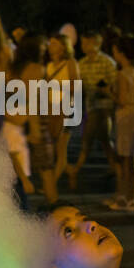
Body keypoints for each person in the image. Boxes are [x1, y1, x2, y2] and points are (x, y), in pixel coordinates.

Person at [68, 31, 118, 190]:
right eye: (83, 43)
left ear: (97, 43)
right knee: (104, 140)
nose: (84, 46)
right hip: (91, 105)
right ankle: (116, 169)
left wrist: (104, 89)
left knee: (88, 139)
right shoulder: (81, 63)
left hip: (104, 106)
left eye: (87, 43)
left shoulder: (107, 62)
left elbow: (116, 85)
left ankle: (75, 170)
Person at [104, 36, 134, 212]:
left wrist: (108, 92)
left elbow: (122, 100)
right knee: (132, 159)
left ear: (121, 52)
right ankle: (124, 197)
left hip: (128, 117)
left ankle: (127, 200)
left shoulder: (123, 74)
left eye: (115, 50)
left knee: (126, 160)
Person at [4, 34, 48, 202]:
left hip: (5, 117)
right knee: (21, 175)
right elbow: (32, 99)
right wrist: (36, 128)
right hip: (19, 121)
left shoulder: (12, 68)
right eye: (42, 48)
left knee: (10, 176)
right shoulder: (36, 69)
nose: (45, 51)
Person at [44, 33, 81, 190]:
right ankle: (70, 171)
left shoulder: (70, 63)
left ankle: (50, 185)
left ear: (62, 46)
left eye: (54, 42)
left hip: (66, 109)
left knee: (60, 148)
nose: (50, 45)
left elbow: (76, 87)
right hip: (52, 109)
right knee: (55, 147)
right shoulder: (49, 65)